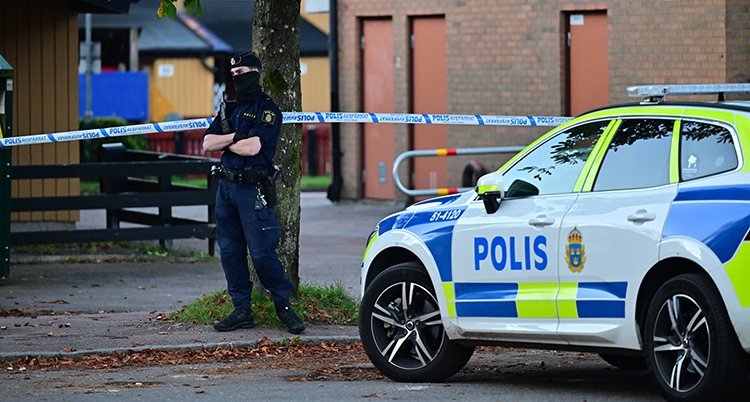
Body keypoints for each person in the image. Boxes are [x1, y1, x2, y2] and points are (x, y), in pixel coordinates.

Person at [203, 52, 304, 334]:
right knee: (230, 253)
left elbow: (253, 148)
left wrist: (229, 141)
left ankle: (284, 308)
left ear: (256, 73)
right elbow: (207, 143)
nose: (237, 78)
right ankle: (241, 310)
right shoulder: (228, 110)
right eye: (233, 75)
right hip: (226, 190)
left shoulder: (267, 110)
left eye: (242, 72)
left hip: (252, 191)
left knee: (261, 255)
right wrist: (236, 137)